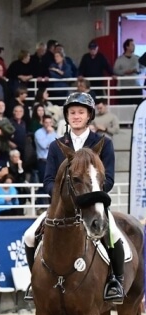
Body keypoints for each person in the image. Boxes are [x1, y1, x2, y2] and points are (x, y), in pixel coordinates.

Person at [22, 92, 121, 302]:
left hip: (93, 205)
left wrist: (91, 196)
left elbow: (109, 179)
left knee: (113, 234)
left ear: (89, 115)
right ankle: (35, 282)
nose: (76, 116)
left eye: (81, 112)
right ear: (67, 116)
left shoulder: (103, 143)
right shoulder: (56, 145)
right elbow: (48, 180)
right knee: (30, 236)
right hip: (62, 207)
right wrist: (61, 198)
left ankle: (115, 281)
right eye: (72, 112)